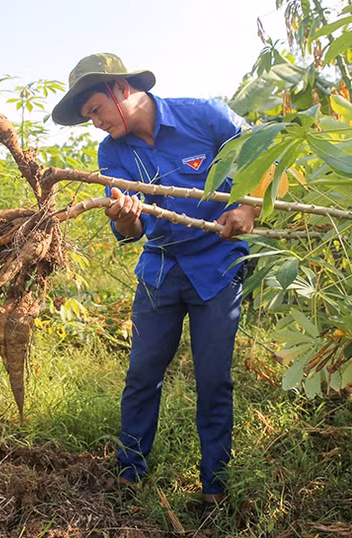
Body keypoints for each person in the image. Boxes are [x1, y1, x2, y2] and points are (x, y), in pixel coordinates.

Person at [52, 53, 258, 504]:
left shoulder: (204, 116)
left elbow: (261, 156)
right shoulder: (112, 153)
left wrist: (246, 207)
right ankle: (129, 474)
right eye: (87, 117)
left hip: (218, 265)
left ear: (121, 89)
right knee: (143, 373)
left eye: (96, 111)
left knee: (213, 378)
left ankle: (216, 487)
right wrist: (125, 218)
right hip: (160, 270)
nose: (96, 124)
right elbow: (132, 229)